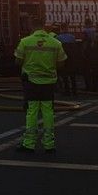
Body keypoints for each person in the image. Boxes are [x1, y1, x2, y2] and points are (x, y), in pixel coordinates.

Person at [14, 18, 66, 153]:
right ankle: (49, 143)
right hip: (49, 82)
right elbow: (61, 63)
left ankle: (29, 143)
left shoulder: (25, 42)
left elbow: (18, 61)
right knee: (48, 111)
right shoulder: (56, 43)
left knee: (32, 111)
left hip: (31, 82)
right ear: (44, 26)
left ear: (32, 25)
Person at [54, 24, 80, 97]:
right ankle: (74, 91)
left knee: (64, 75)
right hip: (72, 59)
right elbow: (75, 48)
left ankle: (67, 91)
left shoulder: (58, 38)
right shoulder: (72, 37)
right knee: (72, 76)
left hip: (63, 58)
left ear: (61, 29)